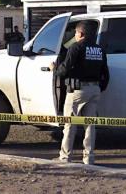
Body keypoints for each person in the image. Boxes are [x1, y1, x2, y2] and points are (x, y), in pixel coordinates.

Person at [49, 21, 109, 165]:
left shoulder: (76, 47)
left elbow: (64, 70)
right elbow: (105, 74)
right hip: (94, 90)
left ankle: (65, 157)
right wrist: (99, 88)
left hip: (77, 91)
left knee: (70, 124)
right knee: (90, 125)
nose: (75, 35)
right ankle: (89, 158)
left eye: (75, 33)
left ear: (80, 34)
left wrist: (54, 69)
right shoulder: (99, 49)